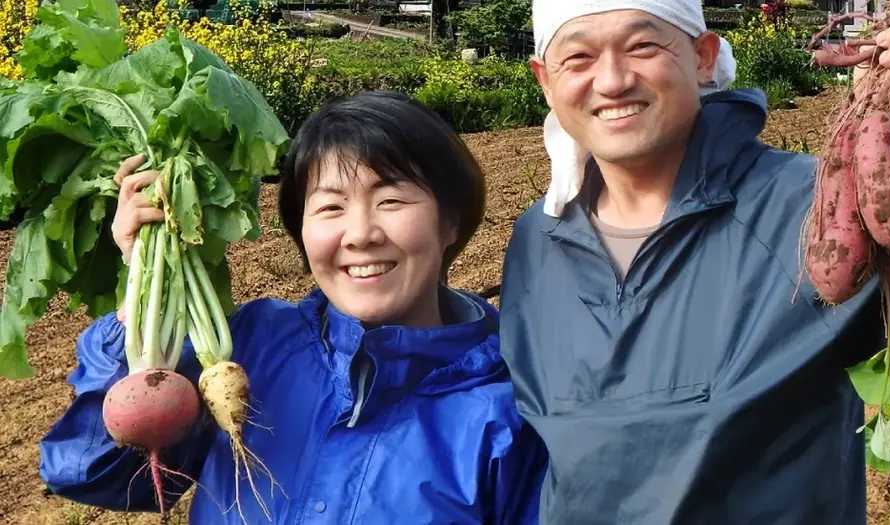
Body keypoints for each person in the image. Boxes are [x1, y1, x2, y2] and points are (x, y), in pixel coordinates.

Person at [497, 0, 890, 525]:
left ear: (703, 57)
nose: (611, 80)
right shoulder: (537, 240)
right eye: (577, 57)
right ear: (545, 81)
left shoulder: (817, 207)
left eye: (642, 46)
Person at [39, 90, 547, 524]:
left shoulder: (511, 412)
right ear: (302, 234)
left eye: (391, 201)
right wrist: (142, 287)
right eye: (329, 207)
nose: (361, 234)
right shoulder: (252, 346)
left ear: (450, 222)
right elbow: (92, 474)